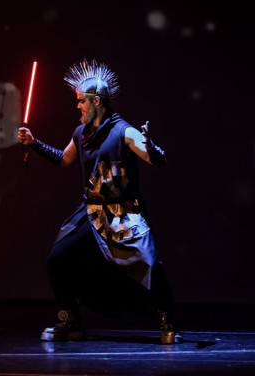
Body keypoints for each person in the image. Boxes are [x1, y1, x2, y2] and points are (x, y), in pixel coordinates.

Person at [18, 59, 182, 345]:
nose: (78, 106)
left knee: (149, 262)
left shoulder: (124, 131)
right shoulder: (81, 133)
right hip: (91, 210)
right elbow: (63, 159)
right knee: (57, 259)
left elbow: (156, 159)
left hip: (123, 212)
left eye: (81, 101)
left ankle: (167, 317)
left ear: (96, 101)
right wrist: (34, 143)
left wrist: (152, 147)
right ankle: (70, 320)